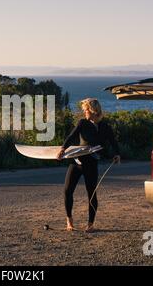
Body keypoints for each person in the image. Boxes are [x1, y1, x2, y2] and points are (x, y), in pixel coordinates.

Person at [57, 98, 121, 233]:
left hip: (91, 163)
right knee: (67, 191)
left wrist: (117, 154)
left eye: (86, 110)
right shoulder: (82, 123)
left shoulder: (105, 127)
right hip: (77, 161)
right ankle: (69, 221)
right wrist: (63, 149)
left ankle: (90, 224)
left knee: (91, 194)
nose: (84, 113)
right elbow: (71, 136)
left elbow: (113, 141)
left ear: (93, 111)